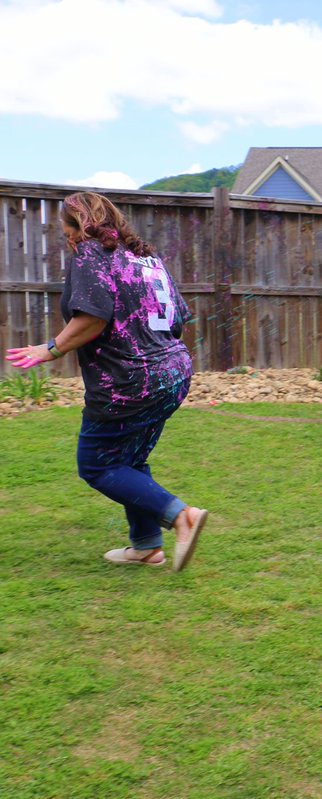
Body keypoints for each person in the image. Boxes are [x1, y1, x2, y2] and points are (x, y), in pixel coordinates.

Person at [5, 191, 208, 572]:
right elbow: (179, 317)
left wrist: (49, 349)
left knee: (97, 465)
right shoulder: (147, 258)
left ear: (74, 227)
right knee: (130, 460)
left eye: (63, 229)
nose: (64, 237)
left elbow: (93, 318)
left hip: (129, 381)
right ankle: (146, 546)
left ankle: (182, 516)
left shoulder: (91, 255)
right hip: (174, 370)